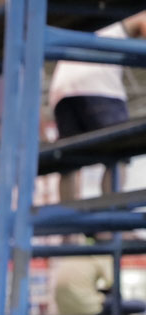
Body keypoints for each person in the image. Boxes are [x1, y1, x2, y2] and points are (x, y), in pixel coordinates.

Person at [49, 11, 146, 203]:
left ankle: (70, 229)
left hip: (62, 86)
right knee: (118, 155)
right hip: (98, 83)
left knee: (69, 162)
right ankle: (108, 227)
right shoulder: (127, 10)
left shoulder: (88, 16)